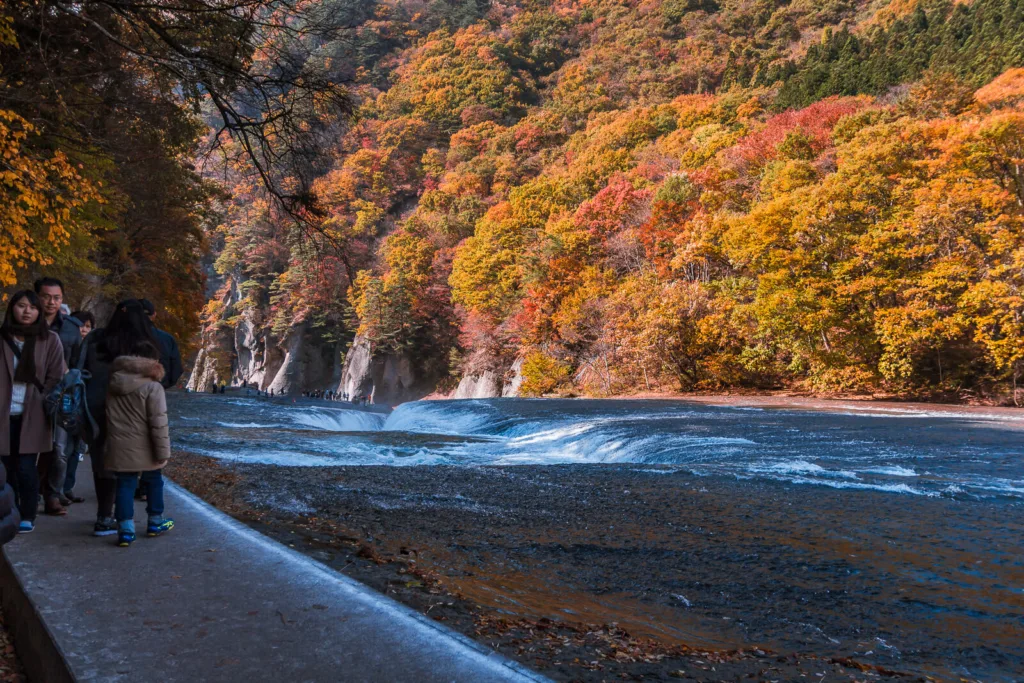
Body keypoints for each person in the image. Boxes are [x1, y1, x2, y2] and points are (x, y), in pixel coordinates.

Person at [76, 299, 162, 536]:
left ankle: (104, 517)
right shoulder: (146, 345)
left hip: (95, 410)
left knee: (101, 464)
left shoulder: (95, 340)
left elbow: (78, 369)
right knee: (127, 470)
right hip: (133, 417)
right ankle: (134, 520)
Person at [0, 291, 66, 533]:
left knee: (27, 467)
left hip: (33, 412)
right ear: (12, 308)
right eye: (21, 306)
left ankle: (28, 513)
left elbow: (56, 377)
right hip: (3, 413)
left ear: (39, 311)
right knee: (4, 468)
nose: (27, 311)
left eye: (32, 307)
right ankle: (9, 511)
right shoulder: (3, 337)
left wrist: (43, 398)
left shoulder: (49, 340)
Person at [105, 341, 173, 547]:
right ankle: (155, 522)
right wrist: (164, 452)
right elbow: (158, 422)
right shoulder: (153, 387)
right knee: (154, 481)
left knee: (125, 485)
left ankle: (125, 530)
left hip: (119, 444)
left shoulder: (113, 383)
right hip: (148, 446)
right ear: (153, 362)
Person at [34, 278, 83, 515]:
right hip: (30, 394)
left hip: (60, 396)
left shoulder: (71, 328)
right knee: (26, 449)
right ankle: (28, 494)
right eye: (45, 297)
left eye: (57, 298)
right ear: (37, 297)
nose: (51, 302)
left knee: (59, 450)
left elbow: (76, 365)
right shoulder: (24, 323)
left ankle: (52, 494)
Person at [138, 299, 183, 389]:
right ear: (154, 315)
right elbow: (176, 369)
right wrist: (163, 384)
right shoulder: (167, 339)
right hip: (154, 389)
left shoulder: (115, 336)